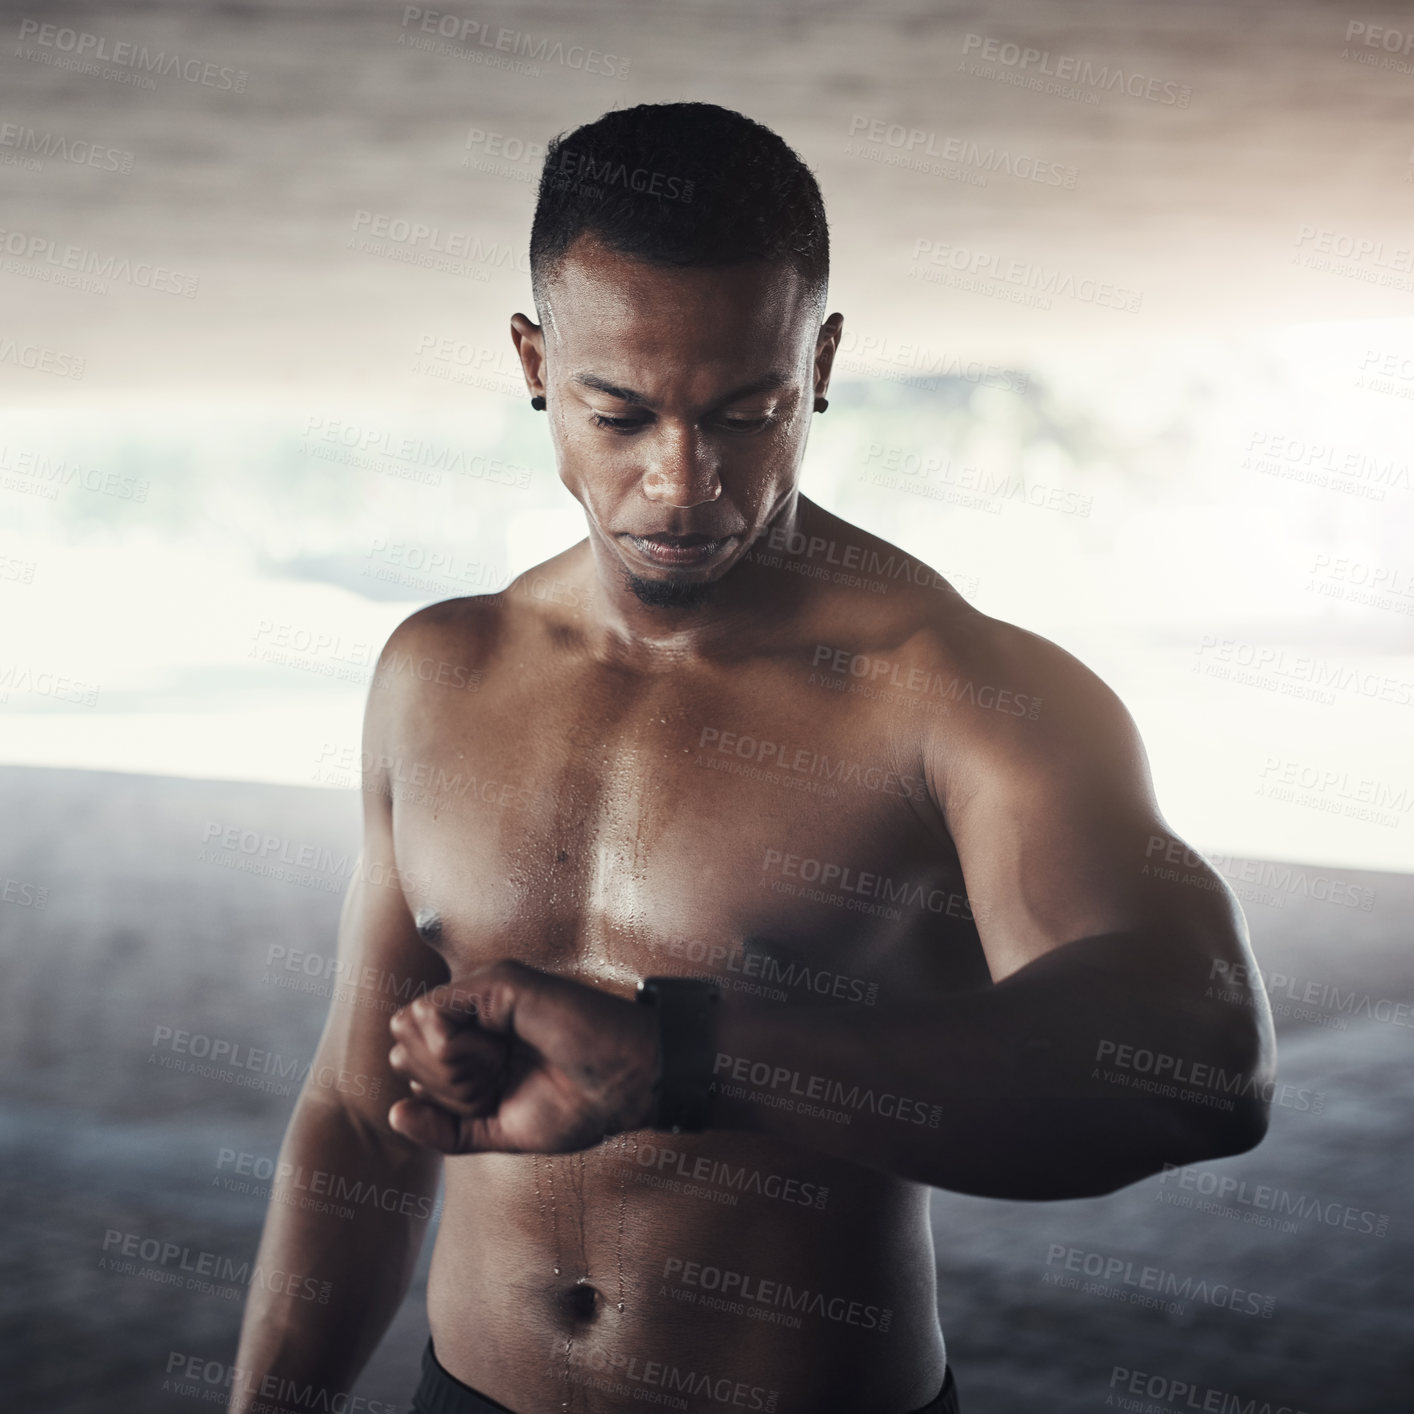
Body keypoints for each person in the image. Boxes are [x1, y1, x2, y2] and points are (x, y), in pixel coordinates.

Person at [230, 102, 1274, 1414]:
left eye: (747, 412)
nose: (682, 485)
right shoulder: (441, 669)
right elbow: (353, 1108)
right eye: (618, 414)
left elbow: (1201, 1063)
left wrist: (689, 1057)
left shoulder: (955, 690)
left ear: (820, 360)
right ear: (533, 358)